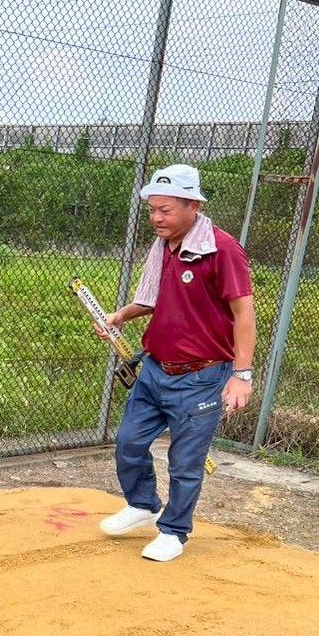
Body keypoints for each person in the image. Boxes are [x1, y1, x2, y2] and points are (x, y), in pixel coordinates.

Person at [95, 164, 255, 562]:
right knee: (129, 442)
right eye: (152, 210)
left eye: (165, 210)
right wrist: (120, 316)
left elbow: (245, 315)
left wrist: (242, 376)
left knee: (185, 461)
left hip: (201, 377)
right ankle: (144, 504)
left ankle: (174, 531)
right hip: (155, 370)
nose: (156, 218)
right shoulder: (162, 246)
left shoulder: (223, 249)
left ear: (193, 205)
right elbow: (150, 298)